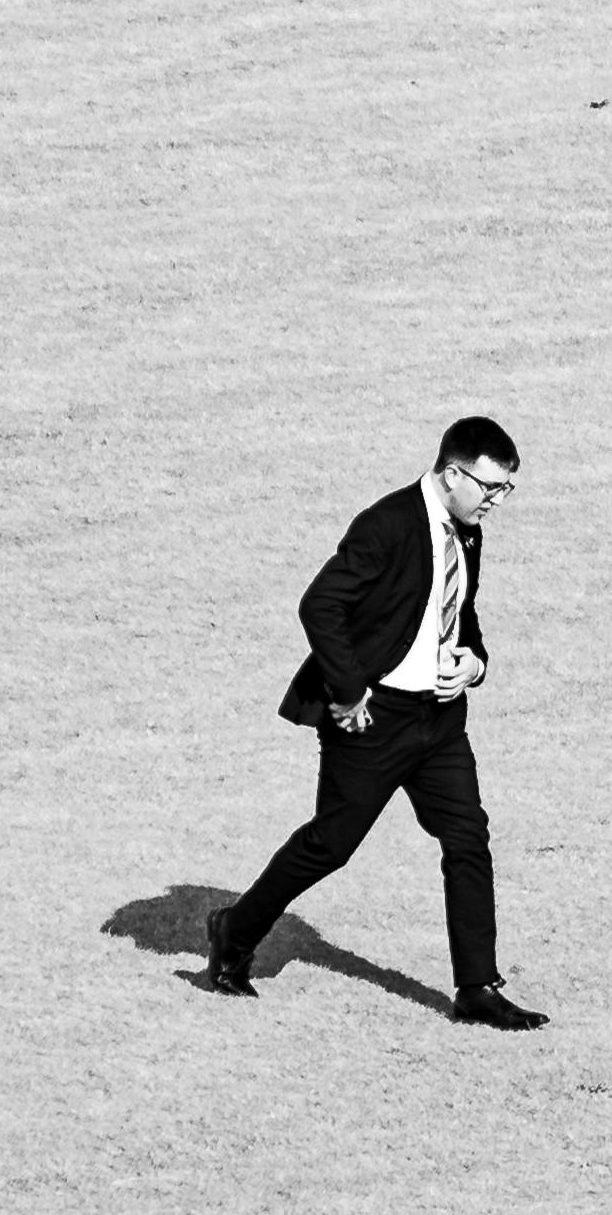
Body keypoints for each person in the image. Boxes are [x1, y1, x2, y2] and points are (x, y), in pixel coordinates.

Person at [199, 419, 548, 1029]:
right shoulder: (386, 525)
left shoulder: (467, 531)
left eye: (505, 489)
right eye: (490, 487)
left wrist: (475, 662)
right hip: (373, 720)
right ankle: (234, 930)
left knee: (468, 837)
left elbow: (460, 612)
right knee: (331, 844)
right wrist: (350, 690)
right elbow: (320, 604)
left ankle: (476, 988)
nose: (496, 501)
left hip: (440, 722)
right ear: (452, 474)